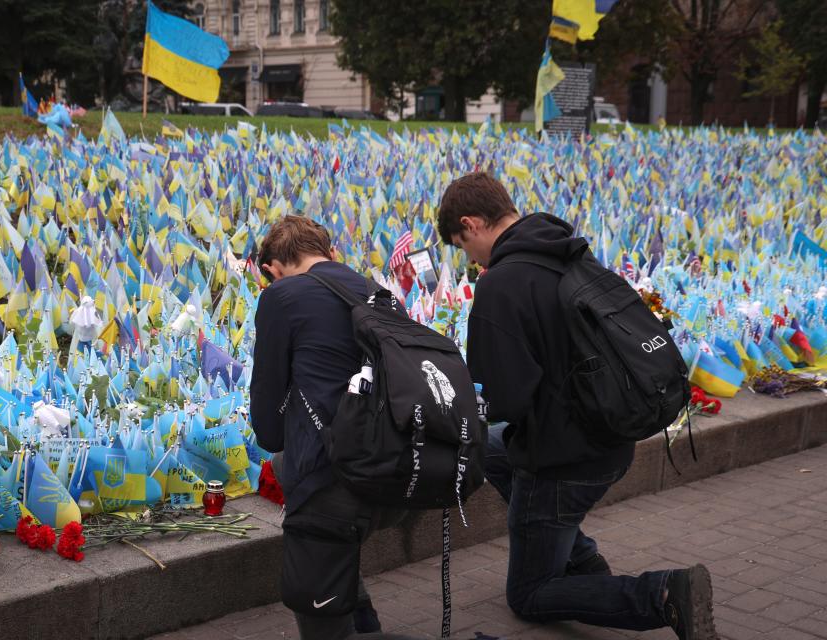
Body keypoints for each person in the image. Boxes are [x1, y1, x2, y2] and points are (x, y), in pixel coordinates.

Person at [436, 172, 718, 640]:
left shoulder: (500, 285)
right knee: (486, 449)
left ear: (473, 223)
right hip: (612, 436)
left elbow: (505, 399)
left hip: (562, 459)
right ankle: (579, 556)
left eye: (463, 245)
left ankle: (664, 594)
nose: (469, 258)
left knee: (528, 595)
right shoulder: (568, 252)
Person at [250, 215, 412, 640]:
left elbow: (267, 428)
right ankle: (363, 620)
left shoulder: (281, 297)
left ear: (274, 269)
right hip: (393, 473)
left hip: (330, 484)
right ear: (330, 254)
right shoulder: (380, 294)